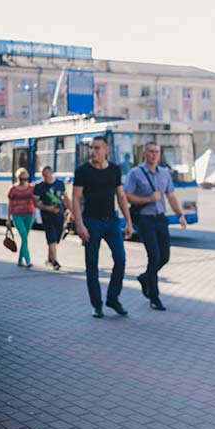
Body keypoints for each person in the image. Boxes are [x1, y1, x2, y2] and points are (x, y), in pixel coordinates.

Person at [71, 136, 133, 318]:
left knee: (120, 259)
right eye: (91, 148)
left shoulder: (114, 170)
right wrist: (79, 224)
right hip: (91, 222)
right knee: (92, 265)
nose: (93, 151)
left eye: (97, 148)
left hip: (112, 222)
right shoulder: (82, 171)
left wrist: (128, 221)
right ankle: (97, 305)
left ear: (106, 149)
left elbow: (121, 197)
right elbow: (76, 198)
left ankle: (113, 299)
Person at [124, 142, 187, 311]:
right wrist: (147, 199)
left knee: (164, 257)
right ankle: (154, 296)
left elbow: (171, 195)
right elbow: (127, 196)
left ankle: (145, 278)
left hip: (161, 219)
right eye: (151, 152)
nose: (154, 155)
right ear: (144, 153)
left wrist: (180, 214)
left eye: (157, 152)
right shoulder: (135, 173)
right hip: (145, 220)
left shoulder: (164, 174)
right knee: (154, 257)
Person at [32, 166, 72, 270]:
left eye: (47, 174)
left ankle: (50, 258)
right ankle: (55, 261)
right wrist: (47, 208)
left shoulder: (59, 184)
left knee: (57, 237)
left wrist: (72, 211)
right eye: (43, 175)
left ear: (51, 173)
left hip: (59, 214)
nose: (45, 177)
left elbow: (66, 198)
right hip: (46, 215)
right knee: (51, 237)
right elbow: (35, 203)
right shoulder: (39, 186)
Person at [8, 167, 35, 268]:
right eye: (21, 179)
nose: (24, 181)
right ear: (17, 178)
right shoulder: (13, 189)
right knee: (24, 236)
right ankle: (28, 261)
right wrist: (8, 219)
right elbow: (10, 204)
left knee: (25, 238)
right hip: (17, 215)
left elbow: (35, 201)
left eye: (26, 179)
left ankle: (20, 260)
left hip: (29, 214)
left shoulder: (31, 188)